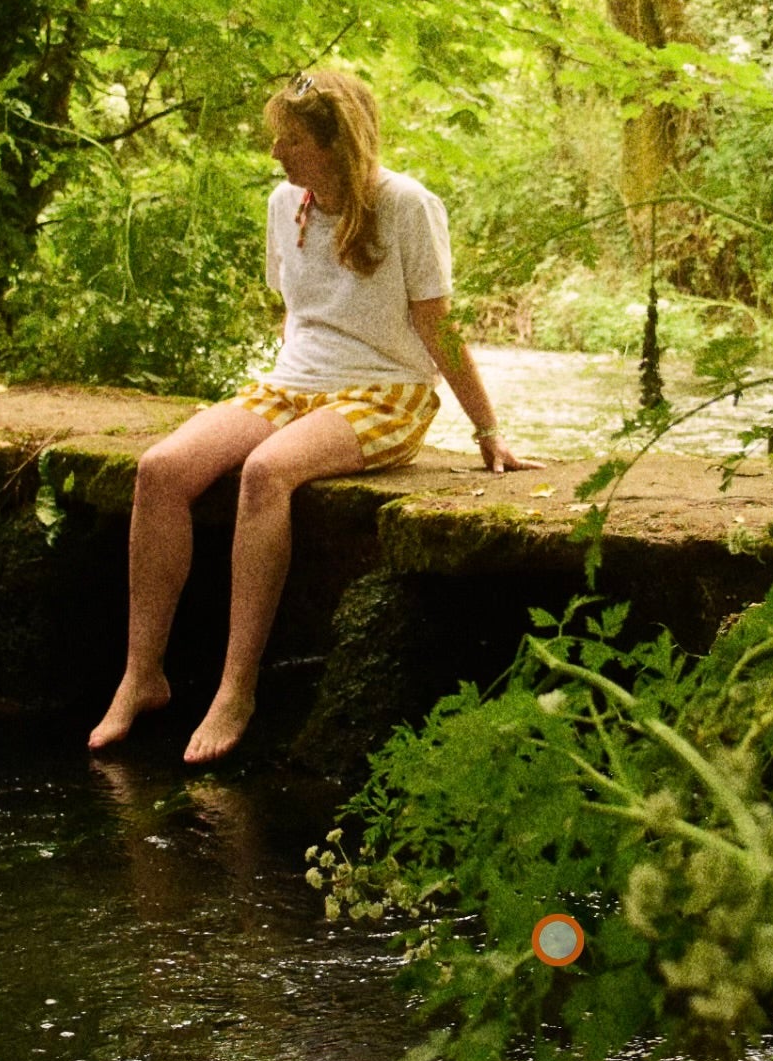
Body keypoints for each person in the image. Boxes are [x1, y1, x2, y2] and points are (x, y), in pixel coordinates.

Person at [88, 69, 533, 765]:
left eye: (288, 140)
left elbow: (438, 328)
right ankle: (142, 675)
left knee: (267, 473)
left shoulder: (408, 206)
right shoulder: (282, 203)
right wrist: (281, 396)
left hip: (386, 393)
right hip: (295, 383)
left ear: (334, 143)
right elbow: (297, 314)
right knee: (161, 469)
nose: (275, 154)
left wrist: (487, 429)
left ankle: (237, 688)